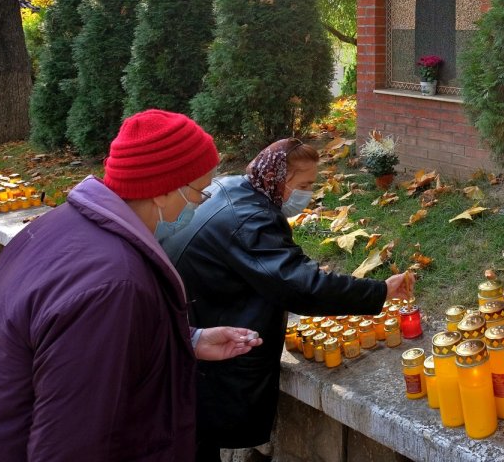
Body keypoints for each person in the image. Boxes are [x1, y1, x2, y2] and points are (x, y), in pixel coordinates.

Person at [0, 110, 262, 462]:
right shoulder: (114, 284)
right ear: (161, 191)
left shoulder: (64, 226)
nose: (200, 206)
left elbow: (67, 338)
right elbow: (74, 443)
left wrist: (186, 340)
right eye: (199, 193)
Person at [162, 138, 415, 462]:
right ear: (278, 179)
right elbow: (302, 286)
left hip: (197, 320)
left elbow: (278, 262)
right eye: (304, 185)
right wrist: (379, 291)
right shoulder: (250, 219)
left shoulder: (237, 187)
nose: (308, 195)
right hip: (208, 347)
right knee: (196, 445)